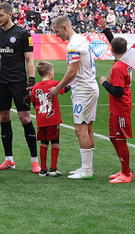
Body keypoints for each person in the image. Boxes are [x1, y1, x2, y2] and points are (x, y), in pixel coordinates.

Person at [0, 1, 39, 172]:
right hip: (0, 82)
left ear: (10, 14)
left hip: (19, 82)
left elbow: (29, 59)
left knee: (25, 118)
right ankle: (9, 159)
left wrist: (31, 81)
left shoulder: (23, 34)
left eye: (1, 15)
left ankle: (34, 160)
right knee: (4, 118)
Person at [50, 14, 97, 180]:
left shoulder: (73, 45)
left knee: (80, 130)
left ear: (64, 27)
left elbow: (72, 71)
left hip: (83, 90)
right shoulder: (81, 39)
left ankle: (87, 170)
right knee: (87, 128)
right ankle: (87, 167)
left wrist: (57, 88)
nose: (56, 35)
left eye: (57, 31)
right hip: (89, 87)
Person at [101, 36, 133, 183]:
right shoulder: (123, 63)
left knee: (120, 139)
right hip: (116, 107)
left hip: (121, 108)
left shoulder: (119, 67)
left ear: (111, 50)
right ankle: (125, 169)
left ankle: (126, 174)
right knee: (113, 137)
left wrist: (105, 83)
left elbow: (118, 91)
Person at [31, 60, 65, 176]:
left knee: (43, 143)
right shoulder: (55, 84)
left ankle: (43, 169)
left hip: (41, 119)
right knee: (55, 142)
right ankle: (53, 168)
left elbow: (33, 101)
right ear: (50, 73)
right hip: (53, 118)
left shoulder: (36, 87)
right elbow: (64, 90)